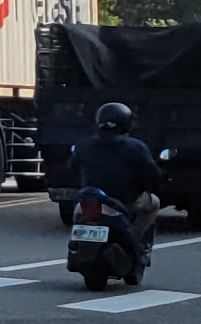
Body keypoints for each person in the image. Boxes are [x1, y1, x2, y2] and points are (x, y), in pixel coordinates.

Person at [62, 99, 161, 250]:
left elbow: (71, 168)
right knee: (154, 203)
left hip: (90, 197)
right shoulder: (135, 146)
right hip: (124, 200)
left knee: (78, 213)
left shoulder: (84, 144)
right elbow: (152, 173)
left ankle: (77, 244)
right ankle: (135, 241)